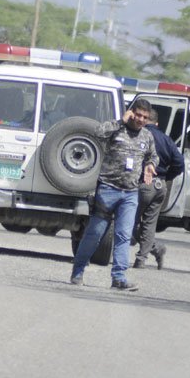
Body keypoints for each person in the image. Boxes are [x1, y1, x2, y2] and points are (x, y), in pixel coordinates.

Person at [70, 99, 159, 291]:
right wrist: (120, 121)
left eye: (145, 117)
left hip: (130, 193)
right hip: (107, 189)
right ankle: (78, 271)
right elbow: (98, 132)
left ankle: (118, 278)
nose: (141, 120)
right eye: (138, 115)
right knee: (94, 234)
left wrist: (151, 165)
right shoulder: (116, 128)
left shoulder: (147, 136)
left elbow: (153, 155)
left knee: (124, 235)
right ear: (131, 113)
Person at [133, 109, 185, 270]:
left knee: (129, 222)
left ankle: (154, 248)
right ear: (157, 123)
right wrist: (166, 177)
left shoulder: (139, 135)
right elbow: (179, 163)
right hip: (159, 186)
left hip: (142, 183)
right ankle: (142, 259)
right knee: (149, 224)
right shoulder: (166, 139)